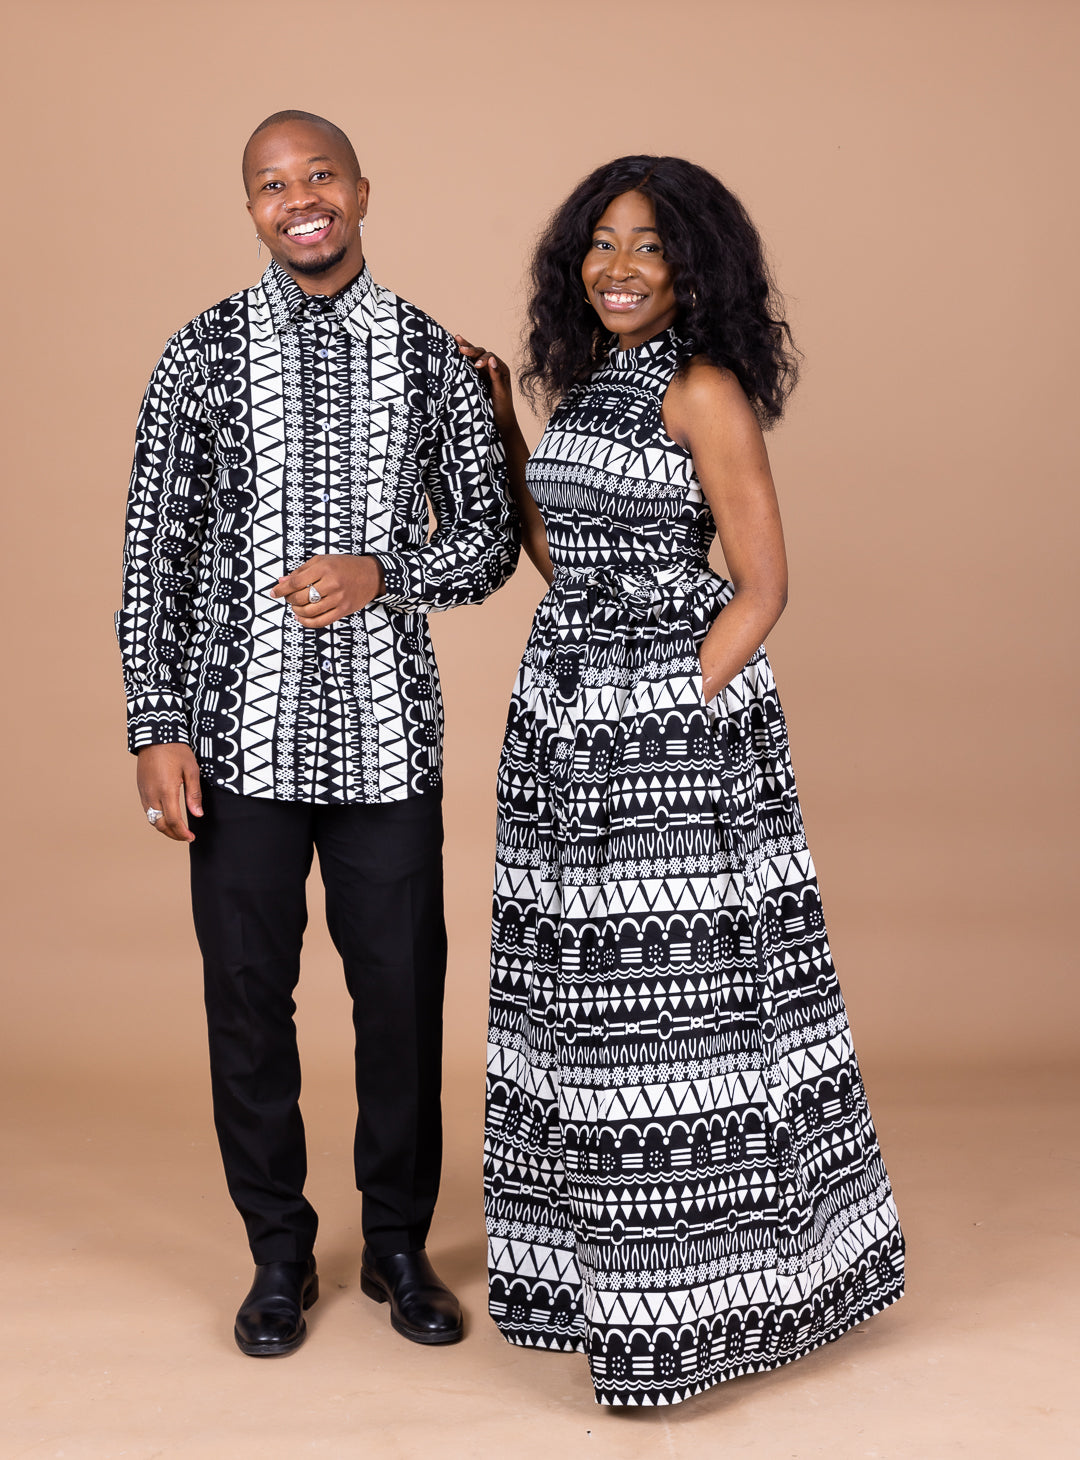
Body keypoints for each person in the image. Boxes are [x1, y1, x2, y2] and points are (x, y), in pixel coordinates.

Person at [459, 155, 904, 1406]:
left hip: (668, 726)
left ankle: (706, 1308)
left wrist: (670, 702)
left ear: (694, 268)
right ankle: (598, 1285)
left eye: (649, 245)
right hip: (567, 717)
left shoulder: (703, 388)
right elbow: (571, 562)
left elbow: (762, 585)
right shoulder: (592, 387)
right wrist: (507, 431)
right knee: (578, 999)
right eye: (602, 242)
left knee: (677, 1010)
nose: (619, 266)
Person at [116, 110, 518, 1357]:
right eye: (272, 184)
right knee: (248, 1001)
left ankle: (398, 1243)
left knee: (401, 999)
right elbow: (155, 550)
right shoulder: (201, 353)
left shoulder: (431, 355)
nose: (300, 199)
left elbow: (489, 540)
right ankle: (278, 1255)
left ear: (361, 191)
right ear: (252, 208)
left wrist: (385, 572)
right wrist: (156, 725)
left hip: (389, 744)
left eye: (320, 176)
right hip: (236, 743)